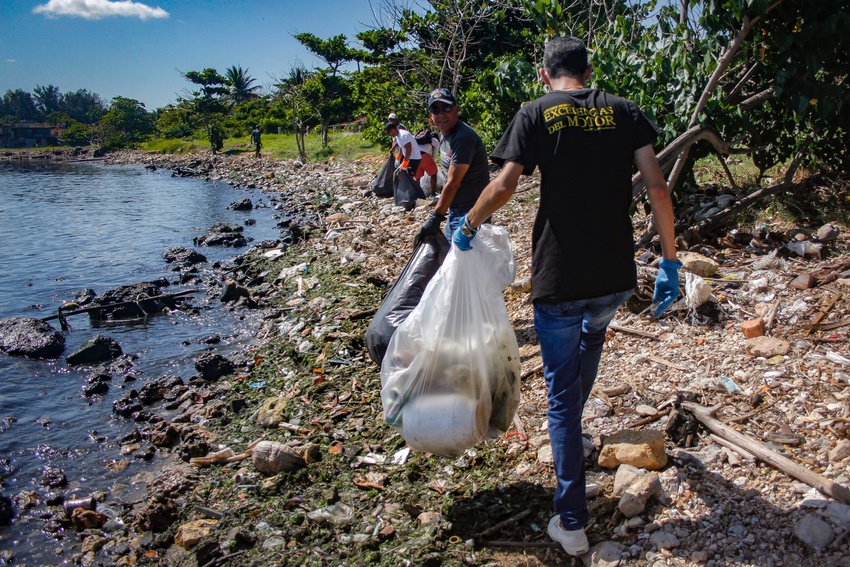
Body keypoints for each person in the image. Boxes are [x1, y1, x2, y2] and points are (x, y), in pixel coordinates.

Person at [451, 36, 680, 556]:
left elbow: (505, 184)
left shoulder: (534, 113)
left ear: (543, 73)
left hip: (559, 276)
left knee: (559, 397)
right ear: (589, 68)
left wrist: (467, 224)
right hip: (614, 276)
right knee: (589, 344)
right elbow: (658, 188)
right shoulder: (625, 111)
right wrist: (669, 261)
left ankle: (571, 520)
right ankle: (571, 441)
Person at [414, 88, 490, 246]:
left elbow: (454, 182)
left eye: (446, 108)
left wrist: (435, 217)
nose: (441, 114)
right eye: (435, 110)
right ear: (431, 115)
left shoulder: (463, 138)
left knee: (465, 259)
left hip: (472, 215)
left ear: (456, 109)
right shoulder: (444, 135)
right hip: (455, 211)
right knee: (453, 262)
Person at [413, 127, 440, 198]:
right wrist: (432, 164)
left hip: (415, 158)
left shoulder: (417, 138)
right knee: (434, 174)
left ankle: (417, 195)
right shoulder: (435, 141)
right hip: (425, 156)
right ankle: (432, 193)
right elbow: (434, 156)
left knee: (417, 177)